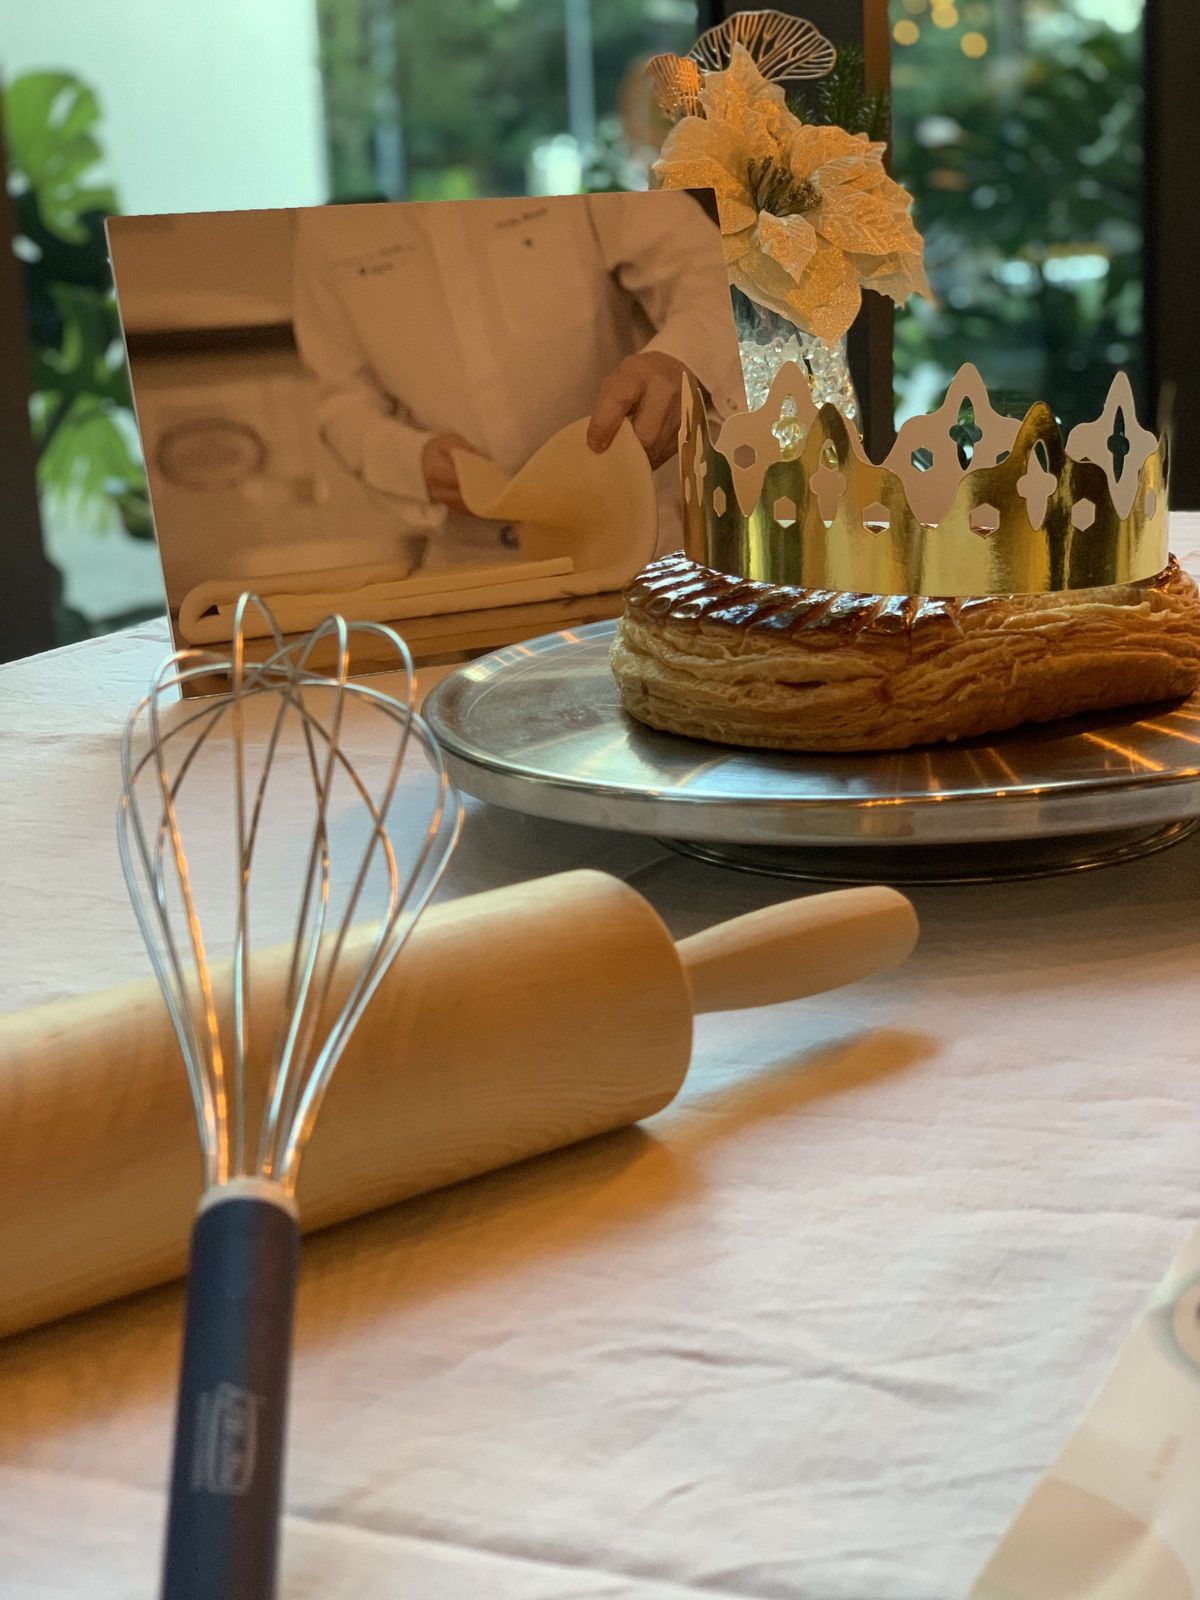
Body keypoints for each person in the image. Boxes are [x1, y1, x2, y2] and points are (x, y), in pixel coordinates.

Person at [291, 190, 743, 568]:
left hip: (635, 541)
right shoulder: (325, 227)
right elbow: (340, 398)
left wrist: (678, 359)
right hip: (471, 563)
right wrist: (409, 461)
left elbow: (714, 274)